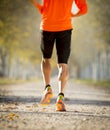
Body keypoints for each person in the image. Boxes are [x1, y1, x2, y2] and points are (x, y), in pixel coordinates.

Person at [30, 0, 88, 111]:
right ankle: (60, 97)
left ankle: (47, 88)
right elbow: (83, 9)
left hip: (47, 25)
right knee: (63, 64)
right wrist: (70, 14)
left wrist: (42, 9)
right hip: (65, 27)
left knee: (46, 59)